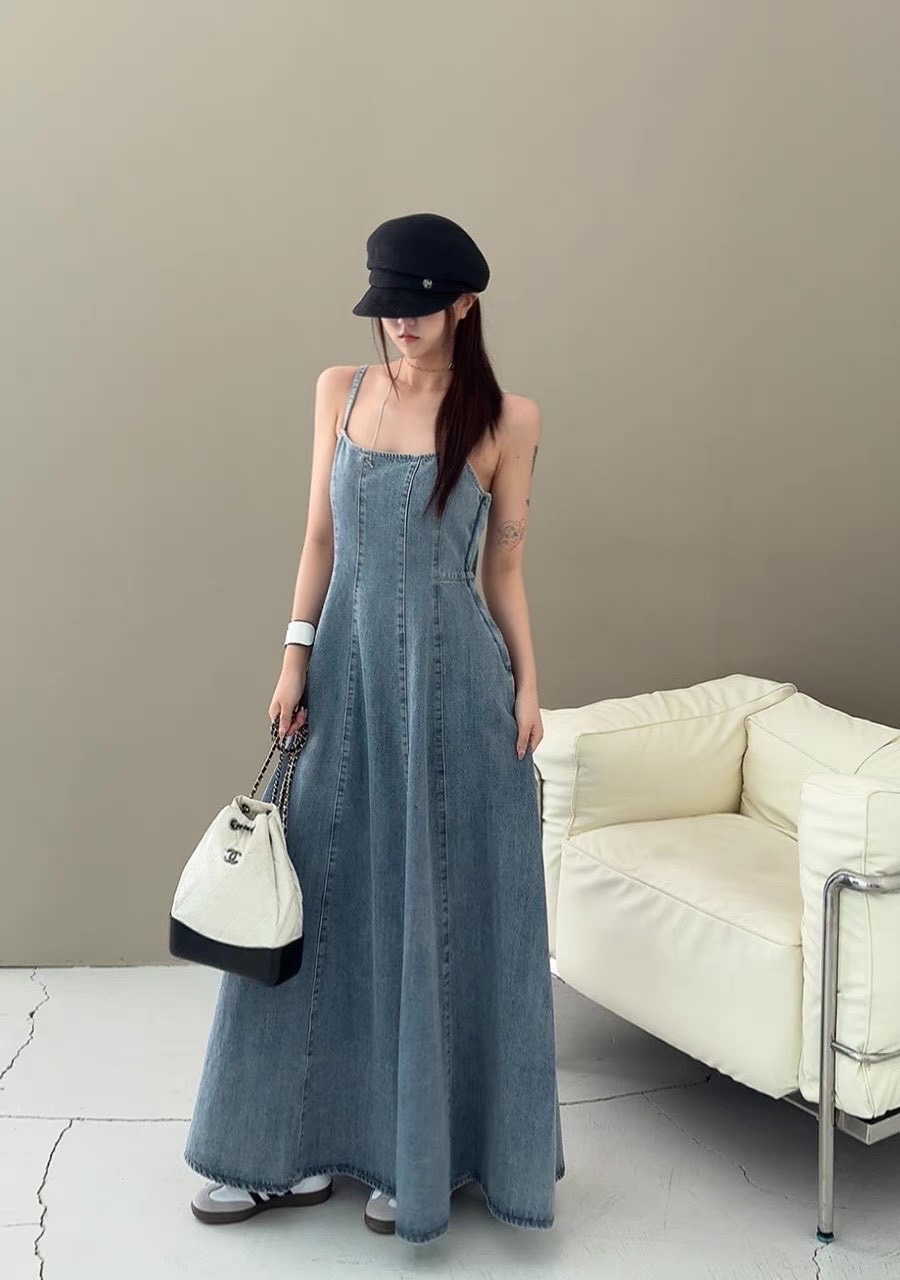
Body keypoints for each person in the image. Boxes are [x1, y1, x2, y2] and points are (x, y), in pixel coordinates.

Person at [183, 212, 565, 1245]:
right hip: (343, 676)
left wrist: (530, 686)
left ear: (465, 304)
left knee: (434, 906)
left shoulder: (508, 418)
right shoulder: (339, 391)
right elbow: (320, 537)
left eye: (420, 305)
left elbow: (504, 569)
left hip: (455, 691)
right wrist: (293, 653)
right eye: (388, 305)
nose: (400, 322)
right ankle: (277, 1147)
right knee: (314, 898)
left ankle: (412, 1155)